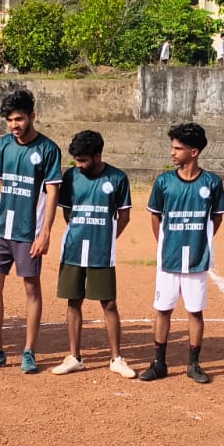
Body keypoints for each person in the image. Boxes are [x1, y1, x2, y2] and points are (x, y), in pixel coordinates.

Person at [0, 90, 63, 373]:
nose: (14, 125)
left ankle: (29, 351)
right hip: (0, 230)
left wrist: (45, 232)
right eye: (9, 120)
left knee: (31, 288)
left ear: (32, 116)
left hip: (28, 232)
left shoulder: (48, 149)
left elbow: (52, 192)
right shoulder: (4, 145)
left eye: (19, 119)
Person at [140, 122, 224, 383]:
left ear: (194, 152)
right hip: (168, 258)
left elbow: (217, 217)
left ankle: (193, 364)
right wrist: (164, 243)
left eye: (178, 148)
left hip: (197, 259)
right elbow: (155, 215)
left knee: (195, 311)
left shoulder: (212, 182)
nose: (172, 152)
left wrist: (202, 238)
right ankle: (159, 362)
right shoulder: (164, 182)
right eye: (172, 147)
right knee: (163, 309)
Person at [51, 130, 134, 378]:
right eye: (76, 160)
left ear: (98, 156)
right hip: (73, 249)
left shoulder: (117, 178)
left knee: (109, 303)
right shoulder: (70, 176)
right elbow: (67, 211)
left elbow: (124, 216)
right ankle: (74, 357)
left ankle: (116, 359)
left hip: (102, 252)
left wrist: (106, 239)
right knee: (73, 301)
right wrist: (79, 231)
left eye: (83, 160)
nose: (79, 165)